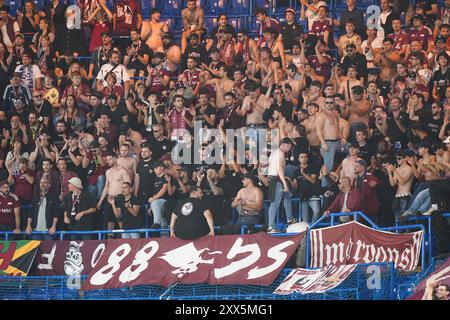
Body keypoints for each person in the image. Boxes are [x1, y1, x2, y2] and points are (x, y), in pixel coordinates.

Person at [97, 151, 131, 231]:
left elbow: (128, 184)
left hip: (120, 197)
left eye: (110, 159)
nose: (107, 161)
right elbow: (106, 187)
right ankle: (109, 239)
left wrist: (127, 198)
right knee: (109, 220)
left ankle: (123, 237)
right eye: (107, 160)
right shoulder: (108, 172)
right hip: (110, 198)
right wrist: (100, 200)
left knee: (120, 218)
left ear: (115, 159)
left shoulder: (122, 170)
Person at [267, 138, 295, 233]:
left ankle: (290, 219)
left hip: (273, 178)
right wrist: (284, 184)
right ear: (285, 145)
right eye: (290, 147)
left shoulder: (274, 152)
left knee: (288, 196)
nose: (289, 149)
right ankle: (271, 226)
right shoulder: (281, 153)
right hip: (277, 179)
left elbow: (270, 165)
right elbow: (279, 169)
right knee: (275, 203)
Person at [316, 96, 341, 186]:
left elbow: (337, 128)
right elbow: (318, 129)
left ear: (334, 103)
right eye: (327, 103)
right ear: (325, 104)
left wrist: (342, 138)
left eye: (331, 103)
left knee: (351, 149)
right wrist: (323, 143)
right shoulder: (321, 115)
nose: (329, 104)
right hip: (328, 142)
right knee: (328, 166)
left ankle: (337, 173)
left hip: (338, 141)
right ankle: (325, 187)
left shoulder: (335, 113)